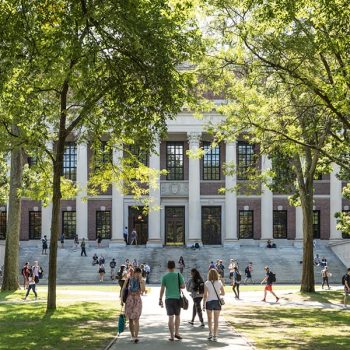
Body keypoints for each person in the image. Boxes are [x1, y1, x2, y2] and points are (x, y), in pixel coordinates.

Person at [159, 260, 185, 342]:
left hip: (168, 299)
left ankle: (171, 336)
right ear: (174, 267)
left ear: (167, 267)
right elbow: (183, 286)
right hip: (177, 298)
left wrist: (160, 299)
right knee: (177, 316)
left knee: (170, 317)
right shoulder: (178, 275)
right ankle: (177, 333)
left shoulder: (165, 276)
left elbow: (162, 289)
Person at [121, 267, 145, 343]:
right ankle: (132, 336)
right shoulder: (128, 279)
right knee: (131, 319)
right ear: (134, 272)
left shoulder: (141, 280)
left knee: (136, 319)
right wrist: (121, 299)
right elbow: (123, 289)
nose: (138, 274)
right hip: (129, 300)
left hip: (137, 300)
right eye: (137, 272)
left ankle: (136, 336)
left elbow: (143, 290)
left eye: (139, 273)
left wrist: (141, 281)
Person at [203, 268, 225, 342]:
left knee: (209, 319)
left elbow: (205, 295)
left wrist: (203, 304)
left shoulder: (207, 283)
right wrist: (218, 294)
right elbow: (223, 293)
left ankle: (210, 333)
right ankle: (215, 335)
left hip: (209, 301)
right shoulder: (219, 282)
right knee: (216, 320)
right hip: (217, 302)